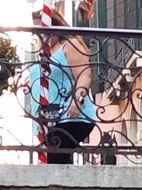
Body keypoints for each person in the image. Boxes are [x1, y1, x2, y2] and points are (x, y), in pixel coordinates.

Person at [28, 9, 97, 164]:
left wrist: (77, 99)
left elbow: (85, 74)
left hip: (70, 116)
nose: (41, 35)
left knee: (55, 160)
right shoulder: (44, 52)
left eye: (44, 30)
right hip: (48, 119)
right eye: (37, 31)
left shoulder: (69, 45)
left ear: (55, 27)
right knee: (54, 162)